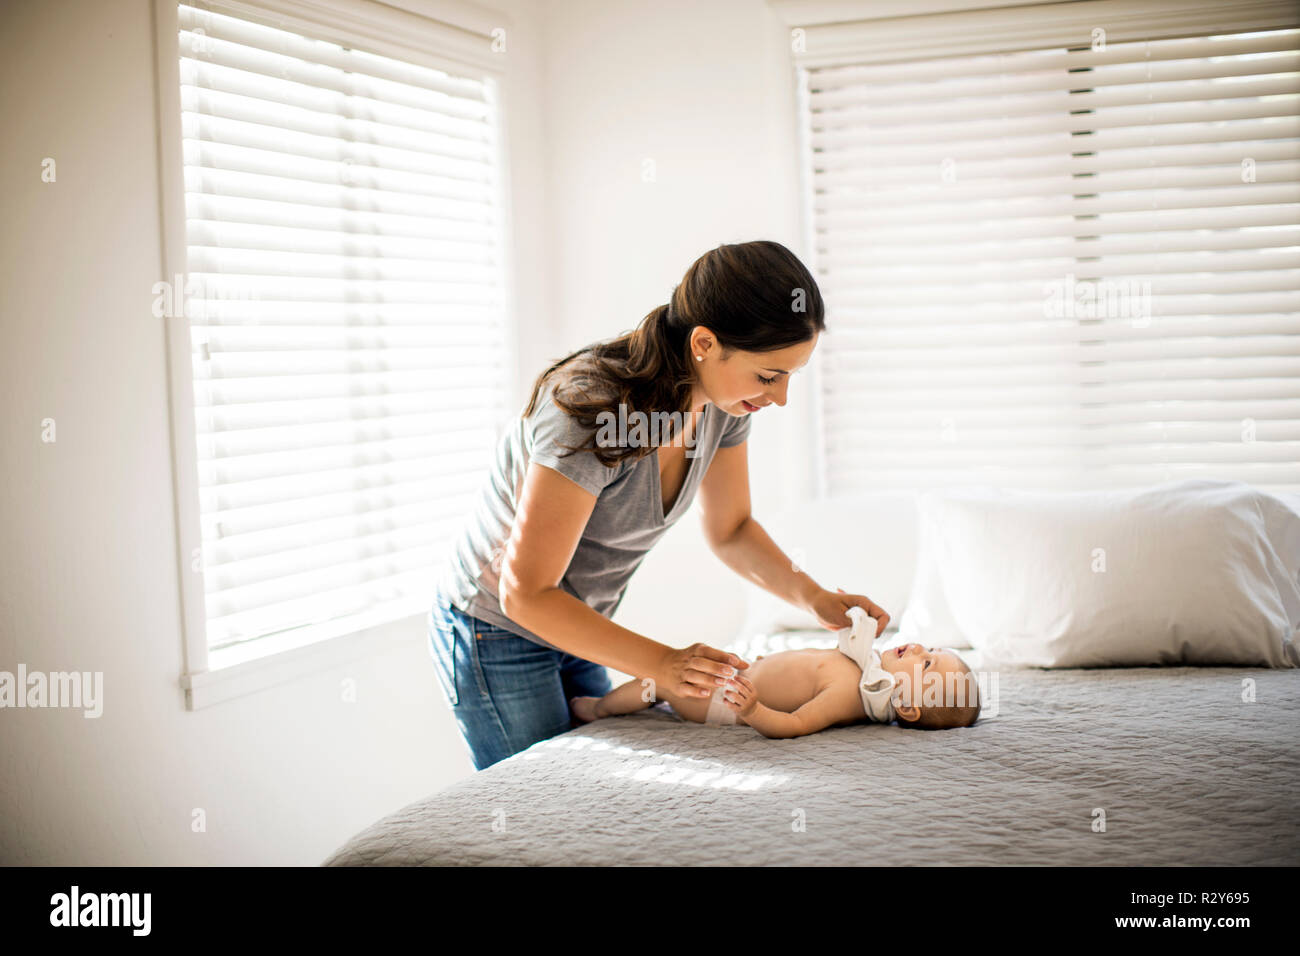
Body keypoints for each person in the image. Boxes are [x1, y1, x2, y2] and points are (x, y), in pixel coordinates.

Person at [428, 240, 891, 769]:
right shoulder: (590, 411)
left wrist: (814, 599)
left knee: (585, 781)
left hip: (578, 620)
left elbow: (732, 529)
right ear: (704, 343)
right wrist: (665, 664)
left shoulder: (724, 404)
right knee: (541, 803)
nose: (780, 397)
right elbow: (527, 594)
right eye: (769, 375)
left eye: (790, 375)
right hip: (495, 627)